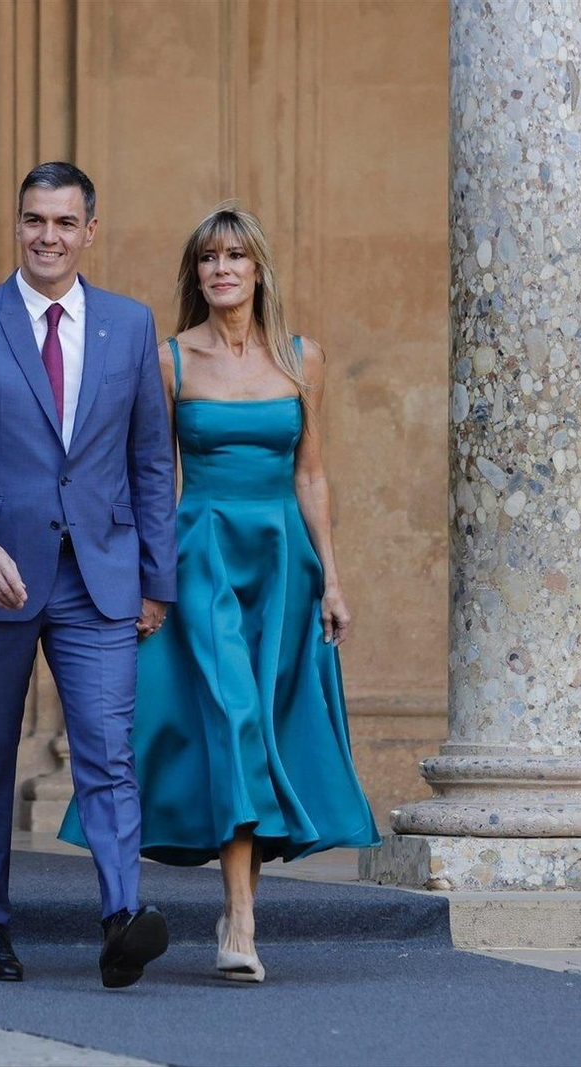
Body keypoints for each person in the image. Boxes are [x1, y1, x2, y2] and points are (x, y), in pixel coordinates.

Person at [60, 202, 380, 983]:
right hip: (199, 554)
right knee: (235, 718)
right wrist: (146, 577)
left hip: (282, 564)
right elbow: (151, 475)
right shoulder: (170, 359)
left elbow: (311, 471)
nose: (222, 269)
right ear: (195, 274)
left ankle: (239, 907)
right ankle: (239, 919)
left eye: (236, 255)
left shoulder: (305, 357)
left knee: (263, 732)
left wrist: (332, 576)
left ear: (259, 268)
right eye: (208, 258)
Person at [0, 162, 177, 988]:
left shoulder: (130, 327)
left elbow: (149, 461)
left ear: (90, 231)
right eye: (35, 220)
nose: (48, 236)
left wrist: (155, 580)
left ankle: (120, 919)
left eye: (65, 222)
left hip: (98, 576)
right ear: (17, 225)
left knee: (108, 750)